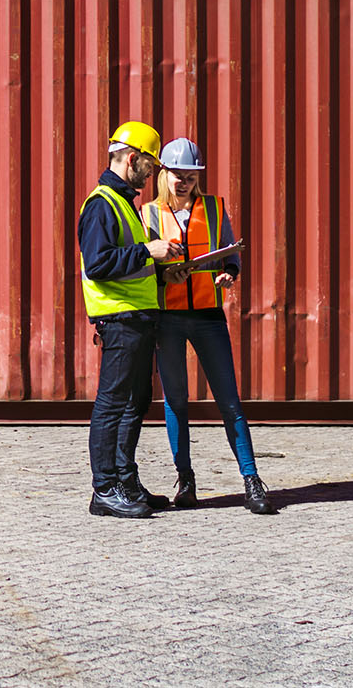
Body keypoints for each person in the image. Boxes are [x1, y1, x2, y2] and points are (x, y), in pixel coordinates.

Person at [143, 137, 278, 515]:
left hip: (208, 316)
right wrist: (162, 274)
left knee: (230, 402)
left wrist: (229, 273)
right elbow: (142, 268)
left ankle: (251, 481)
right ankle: (185, 481)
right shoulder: (147, 214)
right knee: (176, 402)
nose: (183, 181)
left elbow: (229, 253)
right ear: (162, 174)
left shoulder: (216, 209)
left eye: (190, 175)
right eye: (176, 175)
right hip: (167, 317)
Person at [77, 120, 185, 517]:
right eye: (151, 166)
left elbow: (129, 263)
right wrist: (148, 252)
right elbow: (100, 263)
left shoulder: (124, 203)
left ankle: (124, 479)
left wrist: (162, 269)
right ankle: (104, 489)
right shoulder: (102, 203)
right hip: (119, 320)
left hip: (138, 319)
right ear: (133, 159)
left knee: (134, 403)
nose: (152, 174)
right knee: (112, 403)